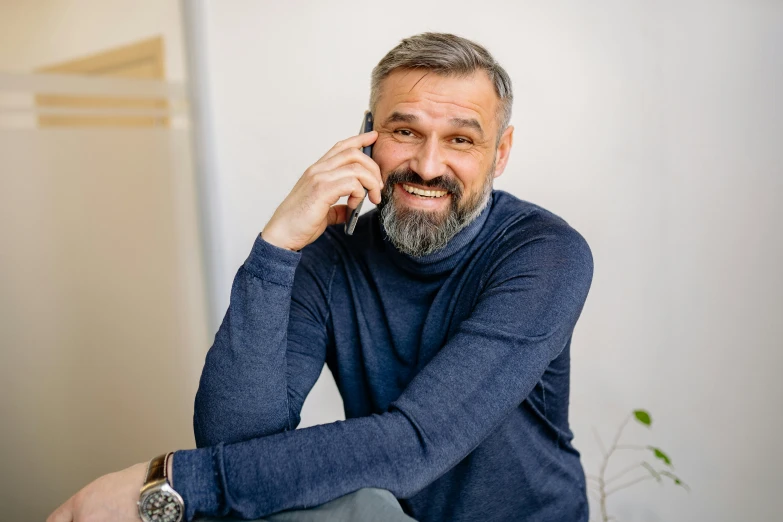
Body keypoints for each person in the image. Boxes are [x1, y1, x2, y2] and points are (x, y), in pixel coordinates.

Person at [48, 32, 594, 522]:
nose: (427, 166)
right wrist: (278, 245)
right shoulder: (329, 250)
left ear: (500, 153)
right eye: (404, 131)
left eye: (460, 140)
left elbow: (415, 443)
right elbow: (233, 439)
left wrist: (170, 482)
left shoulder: (544, 254)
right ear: (366, 135)